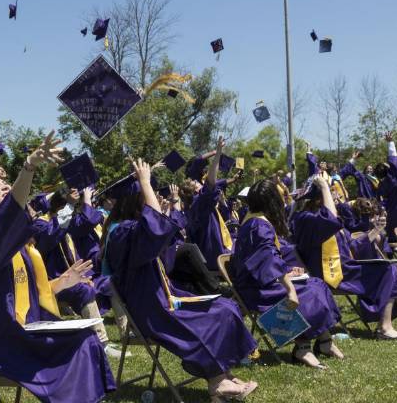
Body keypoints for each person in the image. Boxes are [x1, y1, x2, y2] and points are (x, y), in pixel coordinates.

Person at [0, 131, 116, 403]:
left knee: (87, 338)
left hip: (27, 329)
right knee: (79, 343)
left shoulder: (20, 246)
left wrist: (64, 282)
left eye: (3, 182)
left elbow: (29, 293)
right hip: (3, 341)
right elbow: (6, 218)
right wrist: (29, 167)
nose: (4, 186)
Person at [102, 151, 258, 402]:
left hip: (164, 298)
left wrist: (164, 215)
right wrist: (144, 181)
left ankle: (223, 374)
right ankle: (217, 383)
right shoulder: (121, 233)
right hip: (151, 310)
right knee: (210, 317)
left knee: (225, 306)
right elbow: (152, 229)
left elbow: (166, 258)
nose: (154, 198)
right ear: (135, 200)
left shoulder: (132, 229)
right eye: (148, 194)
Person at [230, 179, 344, 369]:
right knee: (307, 293)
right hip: (255, 290)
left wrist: (287, 271)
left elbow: (265, 259)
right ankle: (302, 347)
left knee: (316, 284)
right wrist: (289, 287)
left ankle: (325, 342)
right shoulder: (258, 225)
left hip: (261, 282)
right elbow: (268, 258)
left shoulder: (255, 221)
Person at [292, 176, 397, 339]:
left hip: (346, 269)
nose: (336, 198)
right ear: (319, 199)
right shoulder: (305, 219)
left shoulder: (326, 219)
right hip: (328, 274)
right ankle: (384, 327)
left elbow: (352, 247)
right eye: (330, 194)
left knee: (393, 268)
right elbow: (332, 219)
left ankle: (383, 324)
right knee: (390, 270)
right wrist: (323, 186)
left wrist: (375, 231)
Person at [32, 187, 121, 358]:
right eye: (67, 205)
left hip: (74, 276)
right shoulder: (40, 224)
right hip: (53, 281)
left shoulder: (68, 222)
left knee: (111, 283)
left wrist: (85, 197)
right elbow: (50, 236)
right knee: (84, 290)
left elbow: (86, 222)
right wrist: (69, 207)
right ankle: (102, 343)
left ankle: (127, 333)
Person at [187, 138, 234, 271]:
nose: (198, 183)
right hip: (216, 257)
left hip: (213, 254)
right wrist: (217, 152)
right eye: (196, 183)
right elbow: (211, 181)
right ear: (194, 191)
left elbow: (215, 182)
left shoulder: (197, 205)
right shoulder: (200, 203)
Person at [379, 132, 397, 242]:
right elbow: (394, 161)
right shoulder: (395, 177)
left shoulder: (383, 183)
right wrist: (390, 142)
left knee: (392, 233)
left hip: (392, 210)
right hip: (395, 207)